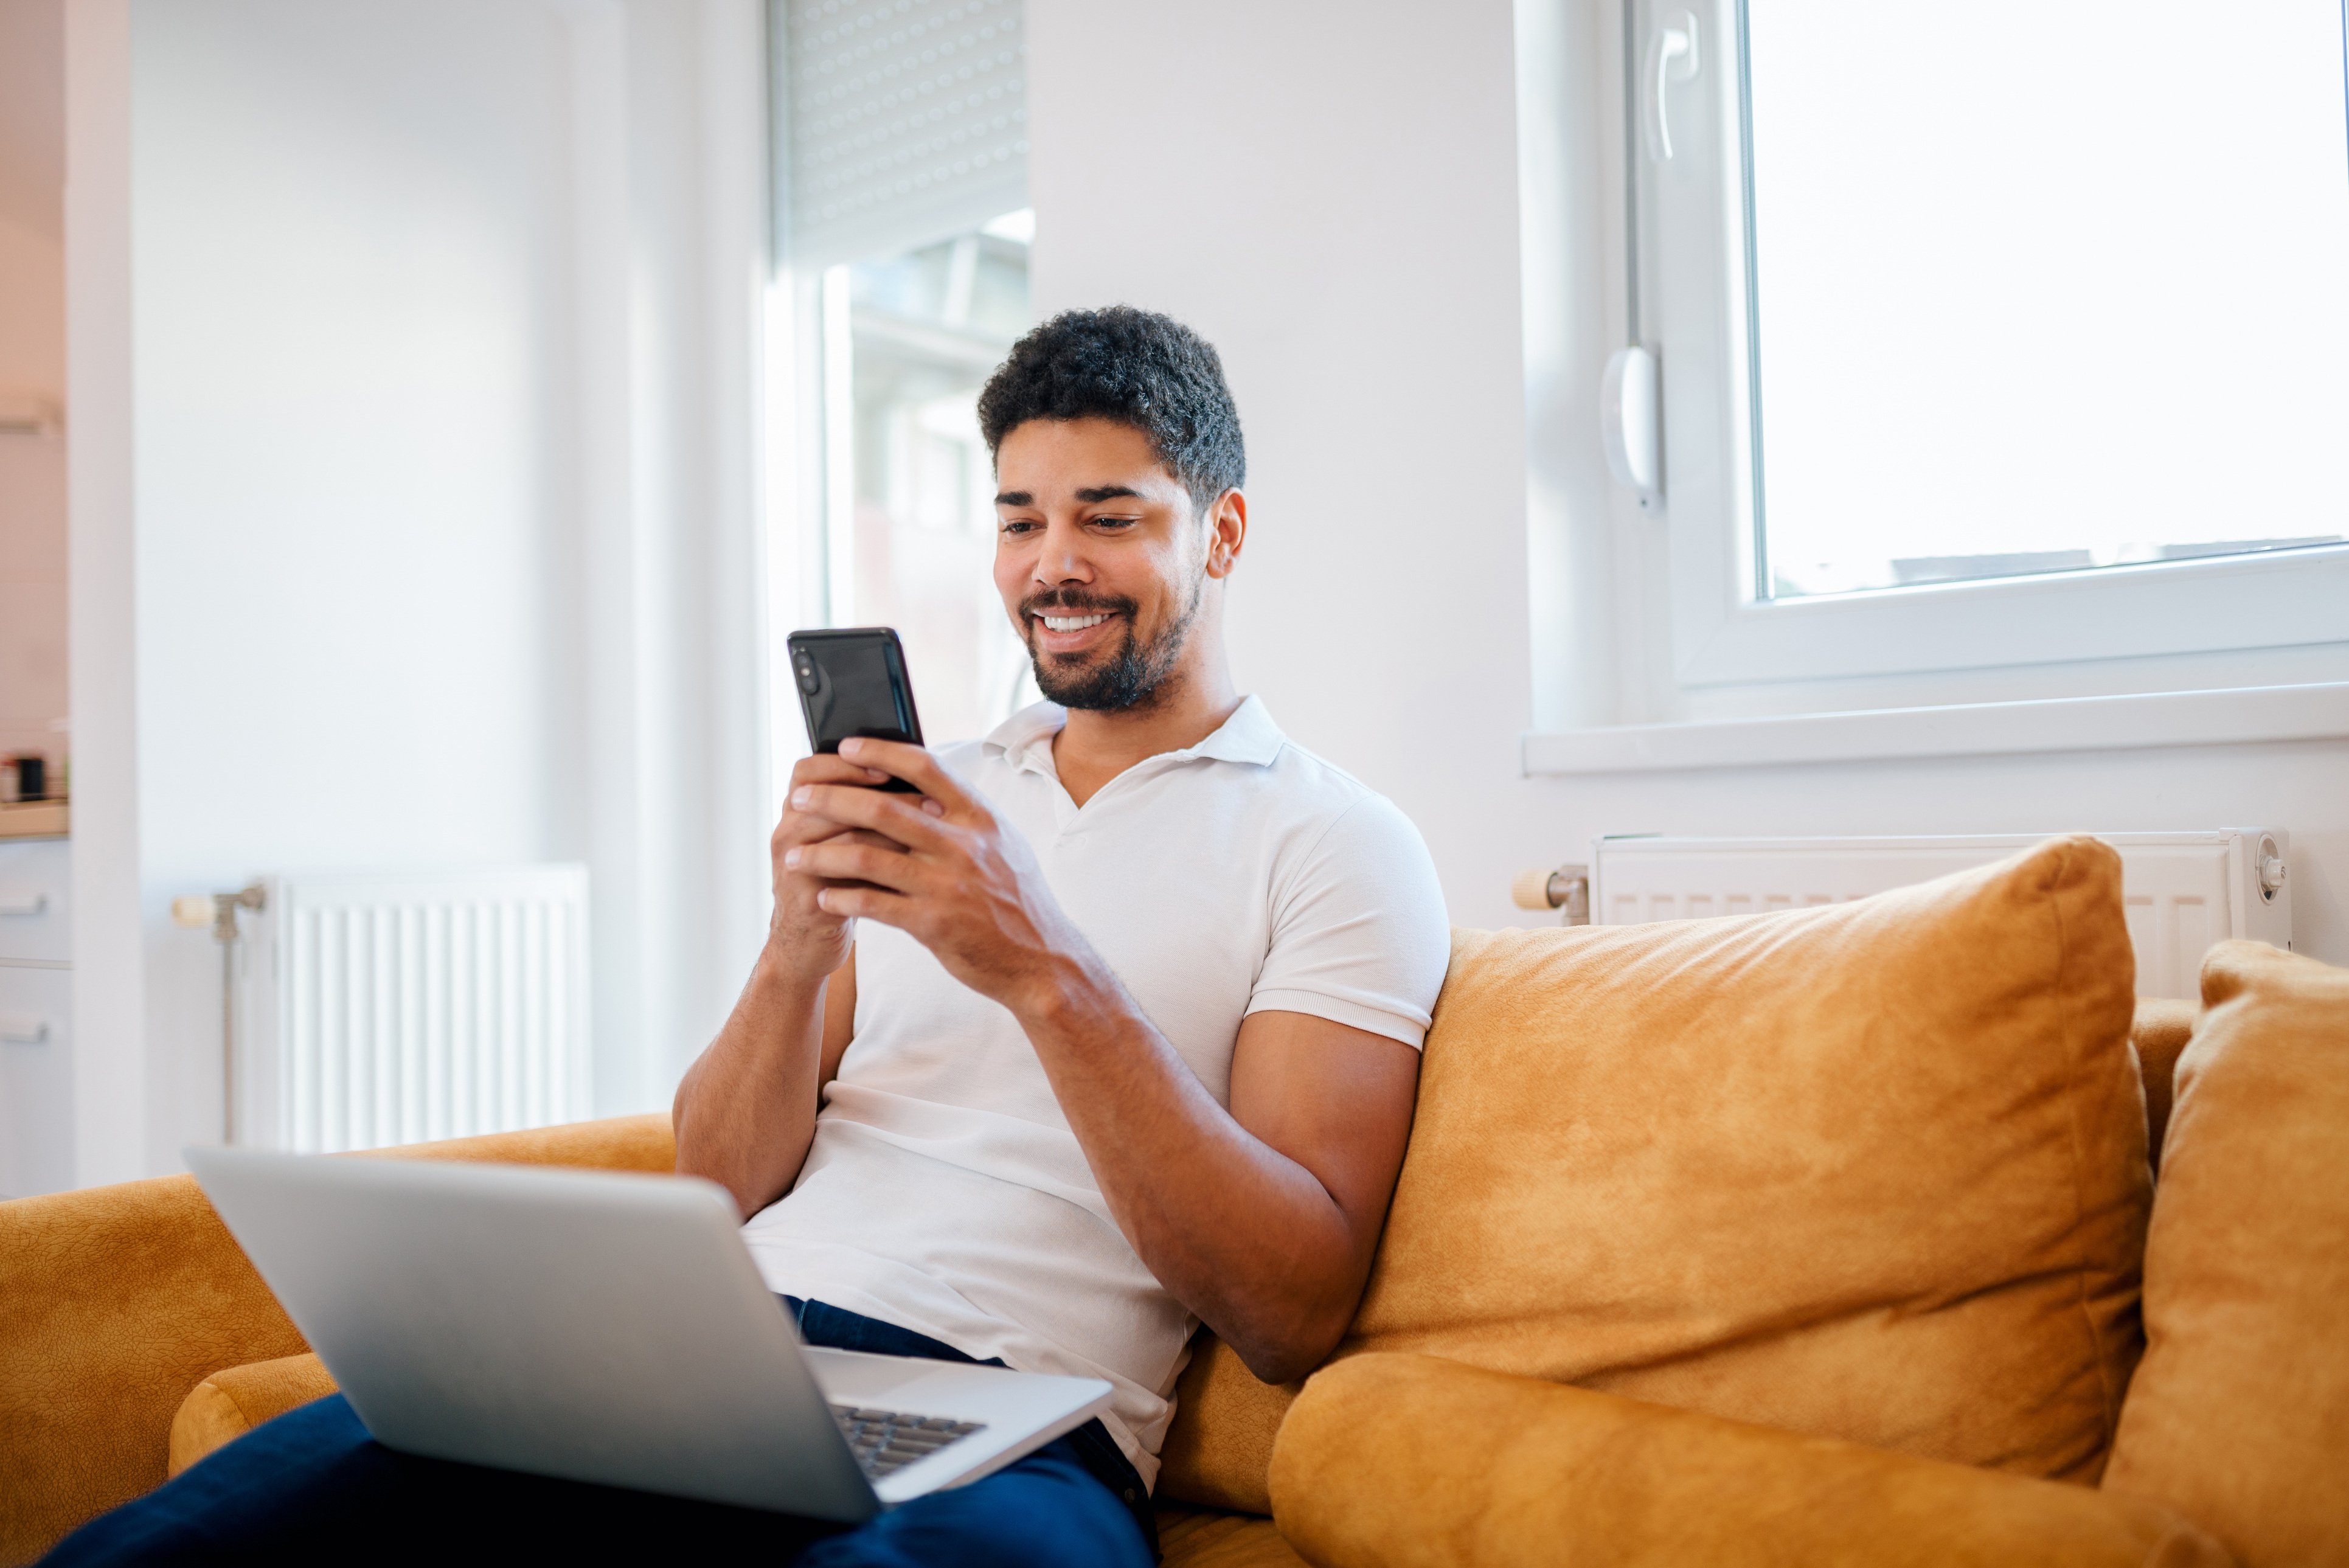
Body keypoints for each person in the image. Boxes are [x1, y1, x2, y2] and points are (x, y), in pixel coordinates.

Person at [44, 307, 1448, 1567]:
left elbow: (1289, 1304)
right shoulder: (932, 794)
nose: (1052, 565)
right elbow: (713, 1182)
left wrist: (1041, 965)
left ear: (1221, 531)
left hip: (1018, 1425)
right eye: (1018, 519)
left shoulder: (1332, 843)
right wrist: (795, 946)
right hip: (687, 1360)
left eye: (1108, 516)